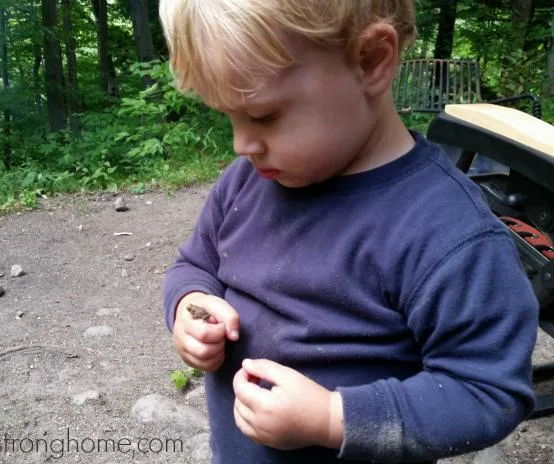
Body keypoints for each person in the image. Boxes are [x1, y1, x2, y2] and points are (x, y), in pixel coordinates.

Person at [159, 1, 540, 462]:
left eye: (262, 116)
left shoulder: (446, 233)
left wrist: (332, 417)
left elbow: (487, 390)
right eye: (228, 115)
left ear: (371, 61)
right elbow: (195, 264)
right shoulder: (246, 182)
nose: (242, 143)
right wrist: (188, 304)